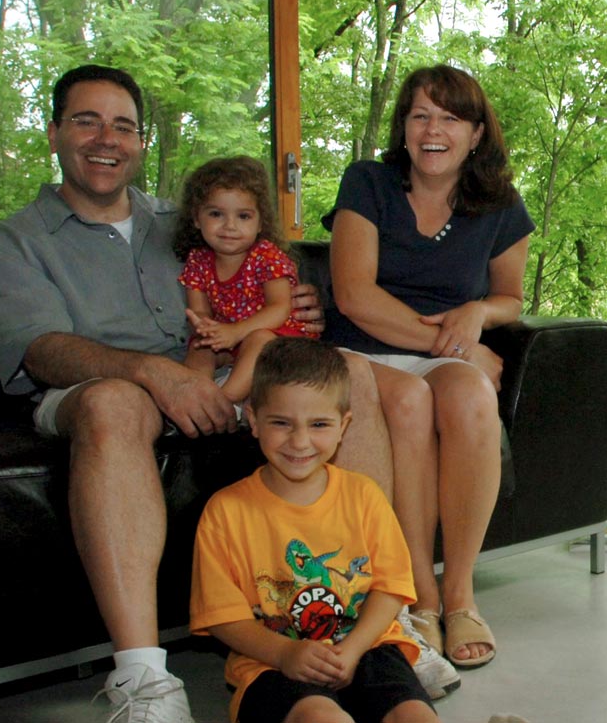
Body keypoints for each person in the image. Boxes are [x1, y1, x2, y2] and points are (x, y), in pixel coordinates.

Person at [0, 64, 457, 723]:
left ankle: (385, 627)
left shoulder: (193, 221)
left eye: (123, 125)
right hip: (95, 389)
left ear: (141, 142)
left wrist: (296, 311)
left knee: (350, 376)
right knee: (115, 401)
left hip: (224, 374)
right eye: (86, 121)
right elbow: (40, 349)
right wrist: (151, 371)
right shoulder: (12, 243)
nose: (106, 138)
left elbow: (267, 284)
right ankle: (142, 677)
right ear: (54, 133)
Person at [325, 64, 533, 668]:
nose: (433, 129)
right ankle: (417, 591)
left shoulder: (500, 206)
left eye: (450, 117)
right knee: (414, 399)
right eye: (420, 115)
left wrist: (476, 314)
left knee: (471, 398)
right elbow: (354, 296)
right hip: (358, 348)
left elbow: (510, 299)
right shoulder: (367, 182)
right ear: (404, 128)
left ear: (476, 133)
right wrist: (459, 343)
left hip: (433, 354)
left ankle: (461, 592)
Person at [190, 338, 437, 723]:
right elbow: (222, 617)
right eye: (281, 423)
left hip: (367, 646)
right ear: (253, 420)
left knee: (416, 717)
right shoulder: (226, 512)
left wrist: (353, 650)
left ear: (344, 425)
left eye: (319, 424)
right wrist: (285, 654)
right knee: (323, 719)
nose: (300, 441)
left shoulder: (364, 495)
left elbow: (392, 588)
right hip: (271, 663)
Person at [175, 155, 317, 403]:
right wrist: (208, 329)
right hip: (232, 340)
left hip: (279, 337)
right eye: (216, 214)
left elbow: (280, 308)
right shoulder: (198, 260)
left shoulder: (266, 256)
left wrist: (235, 331)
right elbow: (199, 310)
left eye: (243, 216)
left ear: (261, 221)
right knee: (201, 345)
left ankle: (225, 400)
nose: (230, 226)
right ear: (197, 218)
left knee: (258, 339)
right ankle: (194, 397)